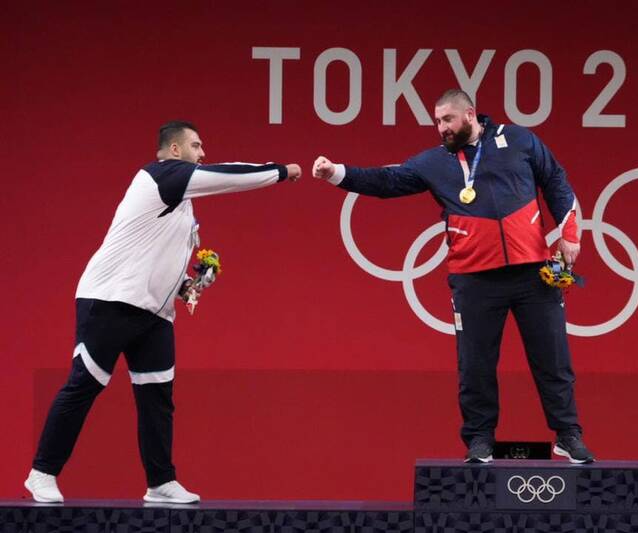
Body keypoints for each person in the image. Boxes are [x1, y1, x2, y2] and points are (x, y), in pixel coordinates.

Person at [24, 121, 302, 503]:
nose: (203, 153)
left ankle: (160, 483)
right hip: (111, 300)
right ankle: (42, 473)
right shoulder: (161, 176)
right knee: (85, 384)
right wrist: (280, 171)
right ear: (174, 150)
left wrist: (189, 285)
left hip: (154, 313)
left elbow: (157, 256)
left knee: (157, 398)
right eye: (196, 145)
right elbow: (227, 176)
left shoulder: (181, 204)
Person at [312, 89, 593, 464]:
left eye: (447, 119)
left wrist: (570, 234)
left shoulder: (519, 140)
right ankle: (480, 439)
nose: (441, 127)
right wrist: (335, 173)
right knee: (475, 365)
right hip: (473, 279)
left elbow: (556, 180)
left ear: (470, 115)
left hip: (533, 271)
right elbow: (386, 181)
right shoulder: (434, 162)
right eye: (437, 121)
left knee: (553, 358)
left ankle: (568, 434)